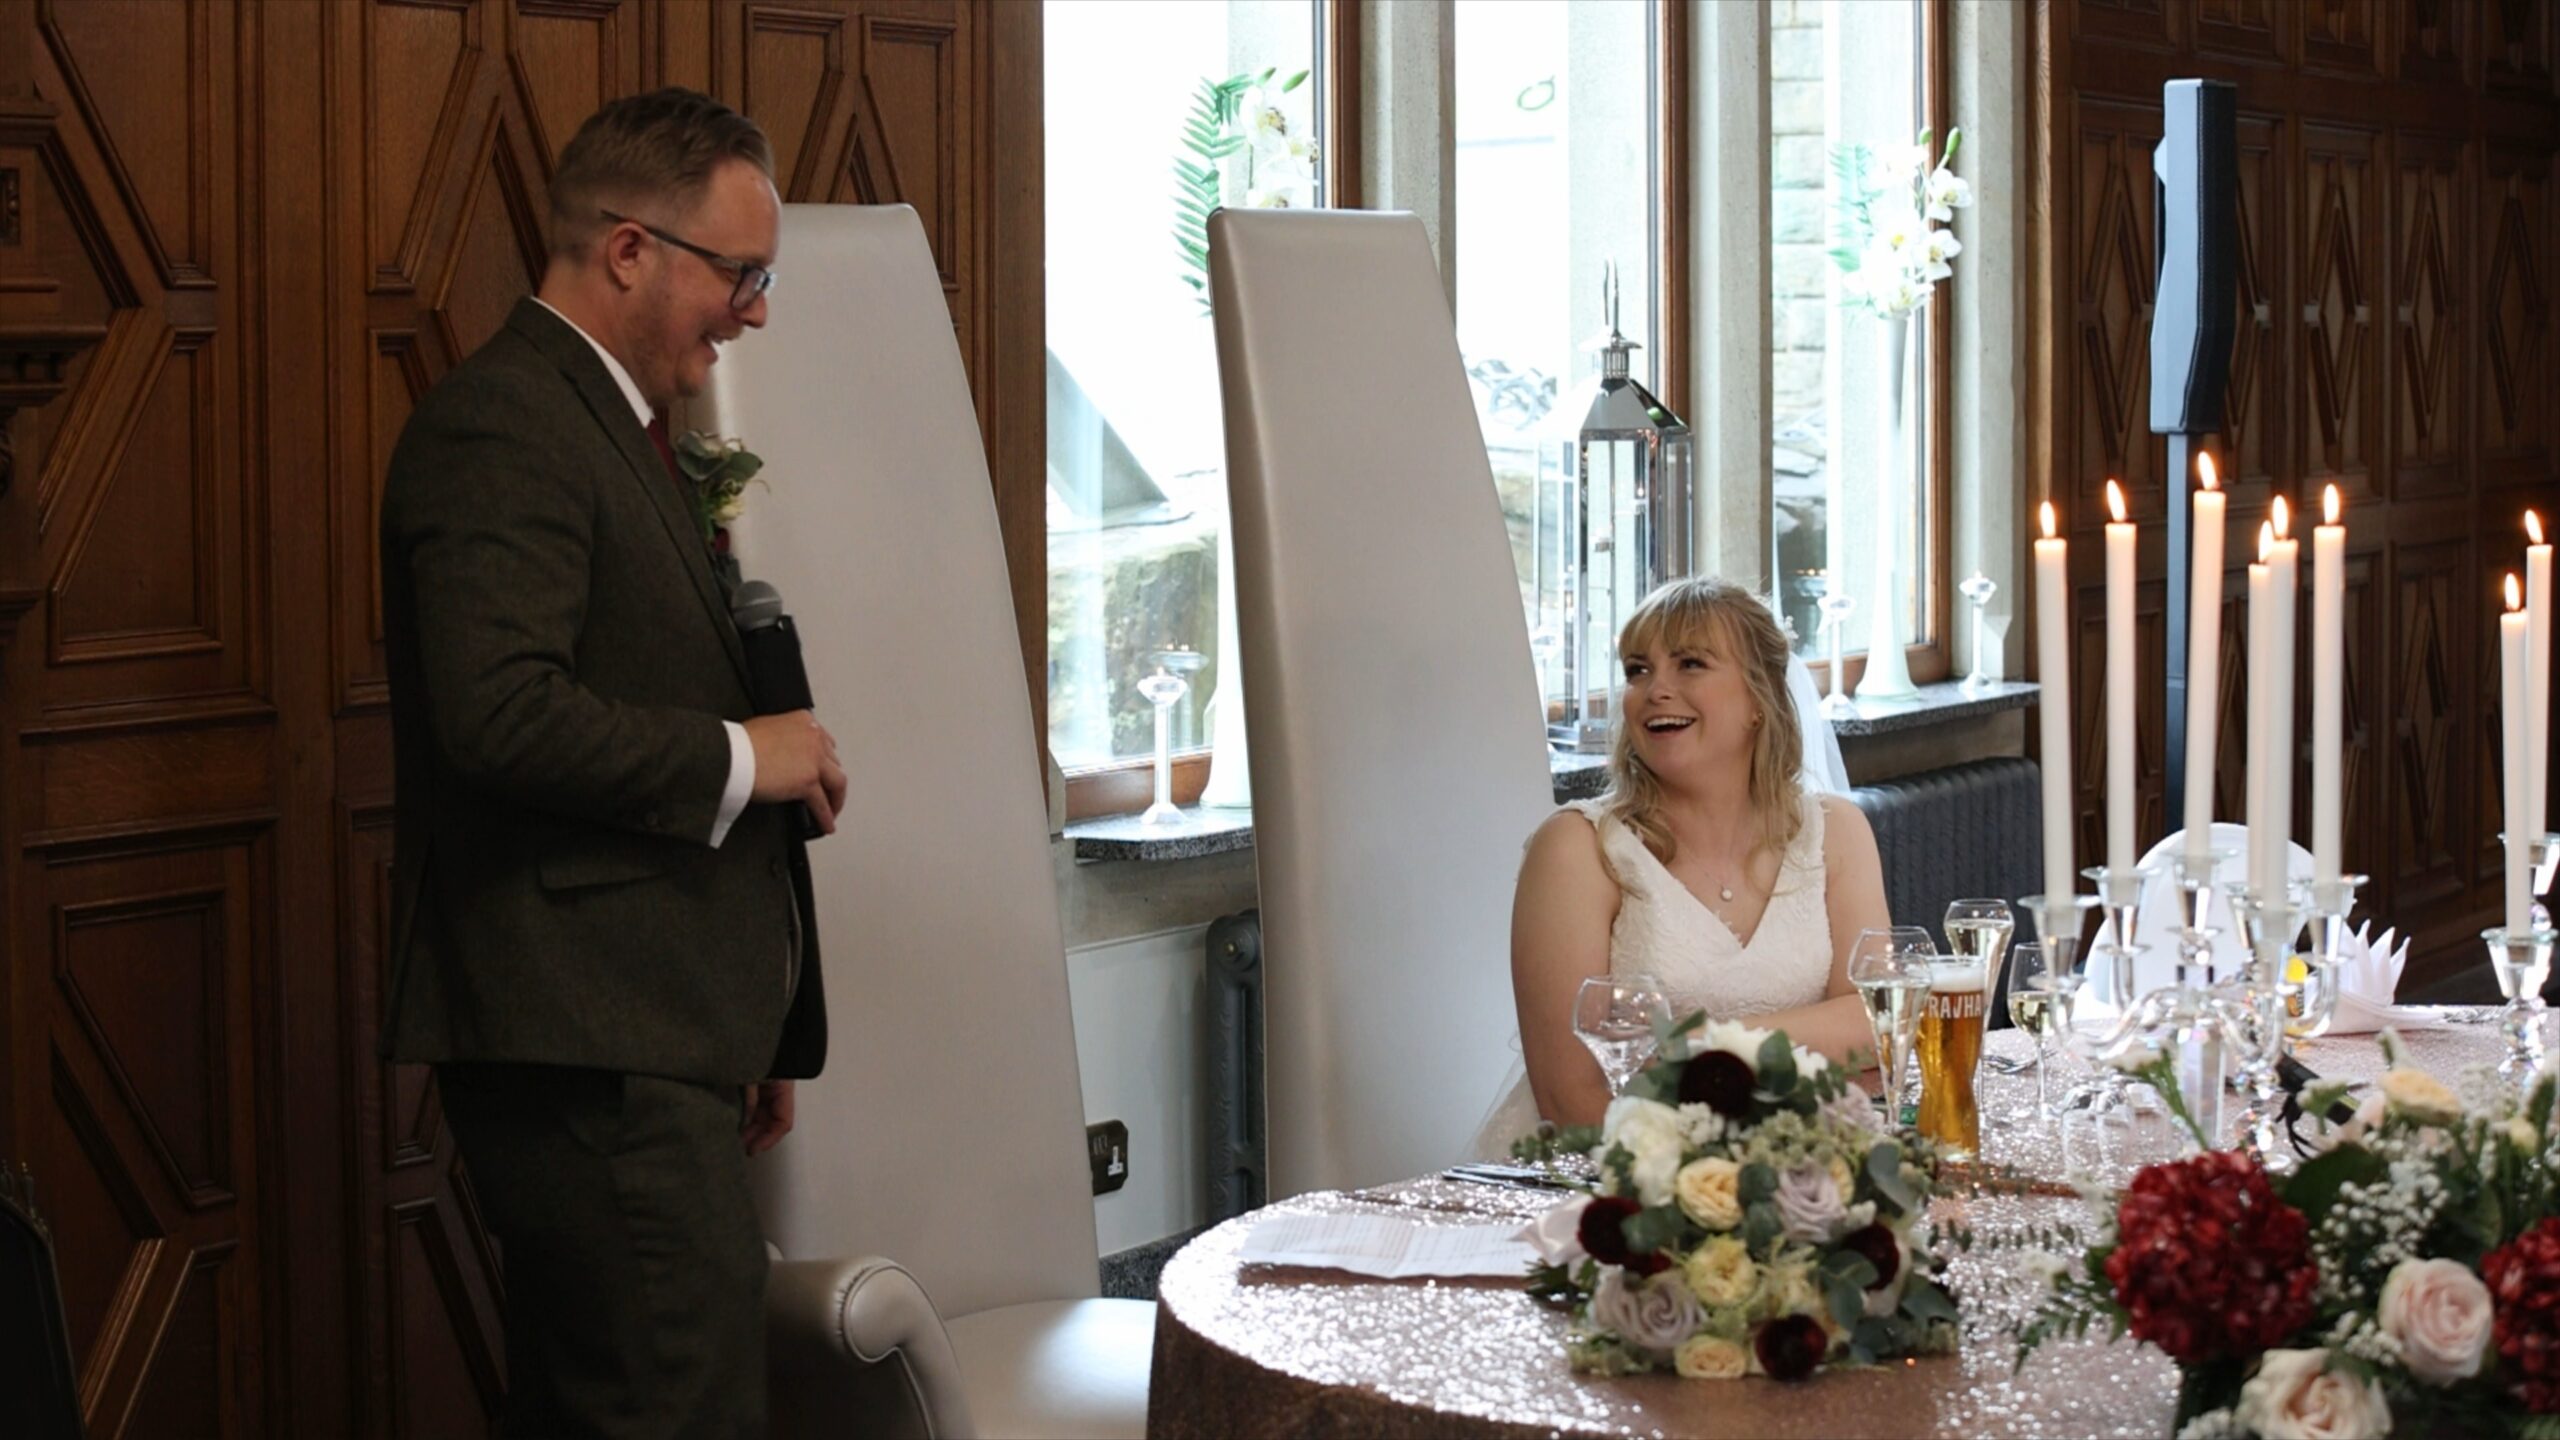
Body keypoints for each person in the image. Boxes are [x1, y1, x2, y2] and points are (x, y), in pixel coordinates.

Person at [377, 89, 845, 1438]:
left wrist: (747, 1018)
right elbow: (500, 713)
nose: (755, 310)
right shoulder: (506, 426)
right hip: (591, 1049)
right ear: (630, 249)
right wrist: (742, 755)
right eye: (740, 273)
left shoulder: (612, 425)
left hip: (652, 1036)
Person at [1474, 578, 1890, 1152]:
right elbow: (1572, 1100)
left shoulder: (1837, 833)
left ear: (1758, 699)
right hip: (1598, 1186)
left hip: (1793, 1167)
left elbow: (1876, 1026)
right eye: (1638, 670)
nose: (1655, 690)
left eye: (1690, 663)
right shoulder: (1578, 850)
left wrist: (1694, 1049)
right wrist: (1701, 1186)